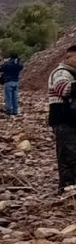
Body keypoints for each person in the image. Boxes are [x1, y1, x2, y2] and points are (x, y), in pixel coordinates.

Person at [48, 45, 76, 192]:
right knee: (68, 155)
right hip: (63, 119)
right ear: (68, 58)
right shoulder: (61, 73)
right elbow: (63, 89)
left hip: (70, 119)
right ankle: (67, 189)